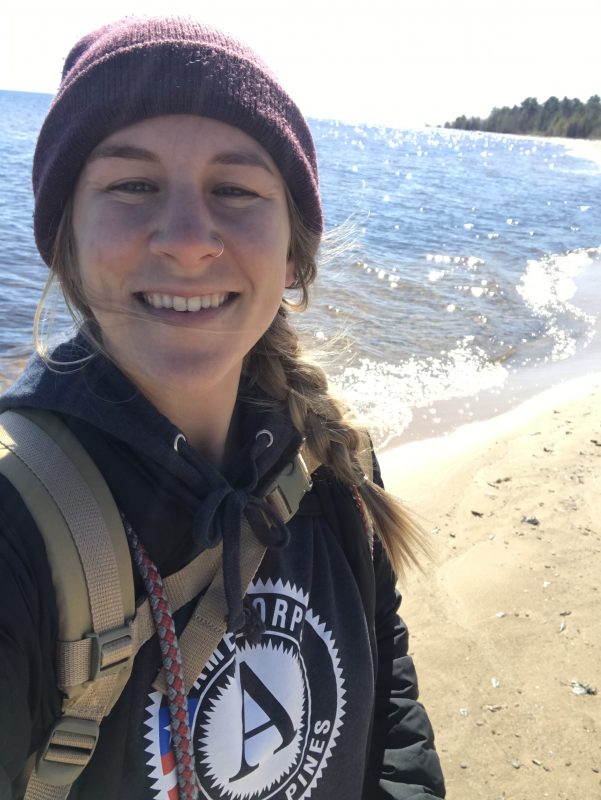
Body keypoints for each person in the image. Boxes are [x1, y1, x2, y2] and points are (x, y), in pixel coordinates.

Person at [0, 17, 445, 800]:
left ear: (293, 251)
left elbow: (390, 705)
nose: (186, 239)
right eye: (132, 185)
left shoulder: (328, 458)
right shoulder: (18, 525)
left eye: (234, 189)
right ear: (65, 237)